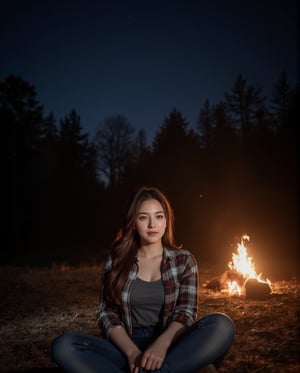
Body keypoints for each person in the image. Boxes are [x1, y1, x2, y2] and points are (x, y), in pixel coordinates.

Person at [51, 186, 235, 373]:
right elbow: (107, 314)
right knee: (64, 345)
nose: (152, 225)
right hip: (124, 346)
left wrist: (161, 345)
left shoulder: (184, 260)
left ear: (166, 222)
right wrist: (132, 353)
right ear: (133, 222)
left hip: (172, 344)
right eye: (143, 217)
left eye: (159, 216)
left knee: (221, 325)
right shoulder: (116, 261)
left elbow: (185, 312)